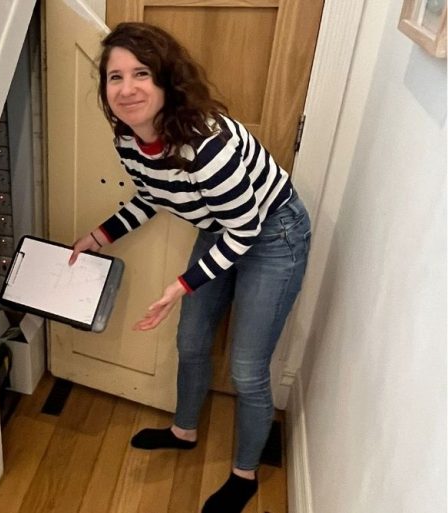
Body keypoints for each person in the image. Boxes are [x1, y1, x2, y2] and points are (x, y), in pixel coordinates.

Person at [68, 22, 311, 513]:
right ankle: (184, 430)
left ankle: (245, 474)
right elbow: (151, 197)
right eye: (114, 77)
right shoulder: (129, 140)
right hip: (223, 227)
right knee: (191, 340)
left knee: (246, 369)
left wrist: (181, 285)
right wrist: (99, 236)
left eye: (141, 73)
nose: (127, 88)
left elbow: (245, 231)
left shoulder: (205, 144)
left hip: (272, 235)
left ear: (165, 82)